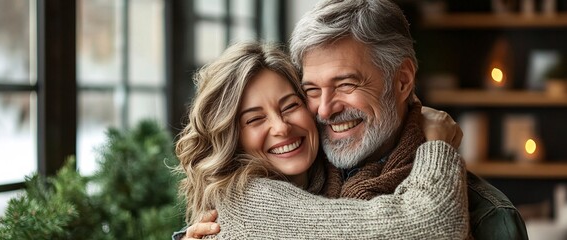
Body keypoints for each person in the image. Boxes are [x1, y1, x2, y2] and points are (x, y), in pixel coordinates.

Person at [181, 0, 528, 239]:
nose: (325, 109)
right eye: (313, 89)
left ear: (403, 80)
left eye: (346, 84)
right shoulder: (248, 198)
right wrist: (436, 146)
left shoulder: (488, 214)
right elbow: (426, 224)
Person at [175, 41, 468, 239]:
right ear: (231, 138)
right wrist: (437, 145)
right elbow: (433, 225)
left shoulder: (330, 178)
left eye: (290, 105)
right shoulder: (246, 200)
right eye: (254, 119)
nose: (281, 127)